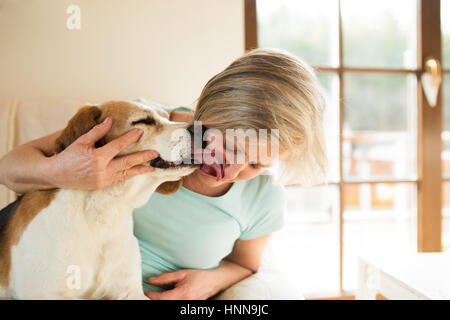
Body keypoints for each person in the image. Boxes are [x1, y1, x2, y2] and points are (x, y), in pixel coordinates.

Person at [0, 48, 327, 299]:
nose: (234, 169)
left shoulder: (263, 197)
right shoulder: (139, 125)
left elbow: (247, 264)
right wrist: (67, 172)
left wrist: (211, 281)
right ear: (206, 110)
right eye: (232, 147)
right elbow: (9, 171)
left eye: (257, 165)